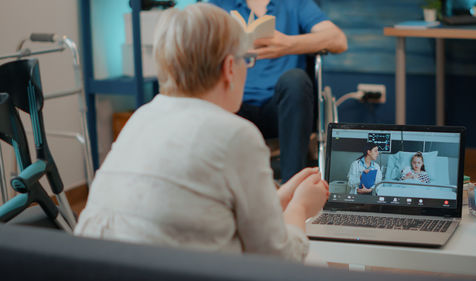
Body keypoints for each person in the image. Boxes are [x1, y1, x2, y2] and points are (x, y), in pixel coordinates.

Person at [74, 3, 329, 263]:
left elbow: (195, 204)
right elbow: (278, 258)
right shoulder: (236, 134)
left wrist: (281, 196)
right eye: (246, 60)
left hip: (94, 266)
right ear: (230, 67)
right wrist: (301, 207)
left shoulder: (141, 117)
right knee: (317, 261)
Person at [209, 0, 348, 182]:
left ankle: (292, 186)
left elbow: (339, 40)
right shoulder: (218, 5)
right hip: (233, 107)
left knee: (295, 79)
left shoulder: (294, 4)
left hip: (282, 109)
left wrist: (288, 44)